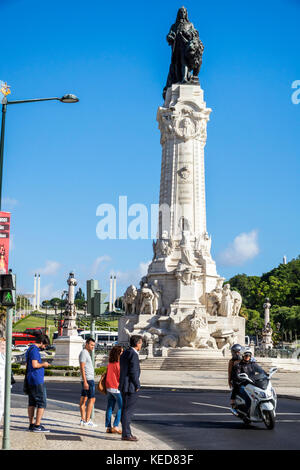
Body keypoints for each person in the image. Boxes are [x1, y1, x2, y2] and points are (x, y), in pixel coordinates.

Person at [119, 335, 142, 441]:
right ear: (137, 343)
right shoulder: (133, 354)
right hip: (130, 386)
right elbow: (133, 371)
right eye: (141, 343)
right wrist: (137, 384)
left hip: (124, 385)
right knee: (128, 411)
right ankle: (126, 434)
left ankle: (126, 432)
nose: (141, 345)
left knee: (125, 409)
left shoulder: (125, 353)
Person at [25, 333, 50, 432]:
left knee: (32, 402)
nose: (44, 347)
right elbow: (35, 365)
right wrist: (44, 364)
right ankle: (37, 425)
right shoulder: (35, 350)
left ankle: (31, 424)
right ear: (41, 342)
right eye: (45, 345)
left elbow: (28, 364)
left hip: (30, 378)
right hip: (37, 379)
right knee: (41, 402)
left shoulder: (30, 349)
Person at [79, 337, 97, 428]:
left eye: (94, 345)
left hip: (87, 379)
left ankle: (83, 419)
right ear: (86, 344)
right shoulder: (84, 353)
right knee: (92, 399)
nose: (93, 347)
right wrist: (85, 381)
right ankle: (87, 420)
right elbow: (82, 368)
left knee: (84, 399)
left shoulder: (86, 353)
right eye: (91, 345)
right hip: (88, 380)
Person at [105, 345, 123, 434]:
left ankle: (108, 427)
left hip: (109, 388)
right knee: (121, 407)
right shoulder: (118, 364)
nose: (123, 353)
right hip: (116, 388)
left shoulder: (110, 364)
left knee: (109, 408)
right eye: (121, 352)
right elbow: (120, 377)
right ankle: (115, 426)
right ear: (118, 353)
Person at [228, 344, 242, 413]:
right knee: (236, 387)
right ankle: (233, 403)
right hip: (236, 379)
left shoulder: (244, 359)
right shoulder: (232, 361)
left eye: (238, 352)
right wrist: (229, 381)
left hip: (244, 378)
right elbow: (229, 371)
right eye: (235, 352)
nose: (237, 353)